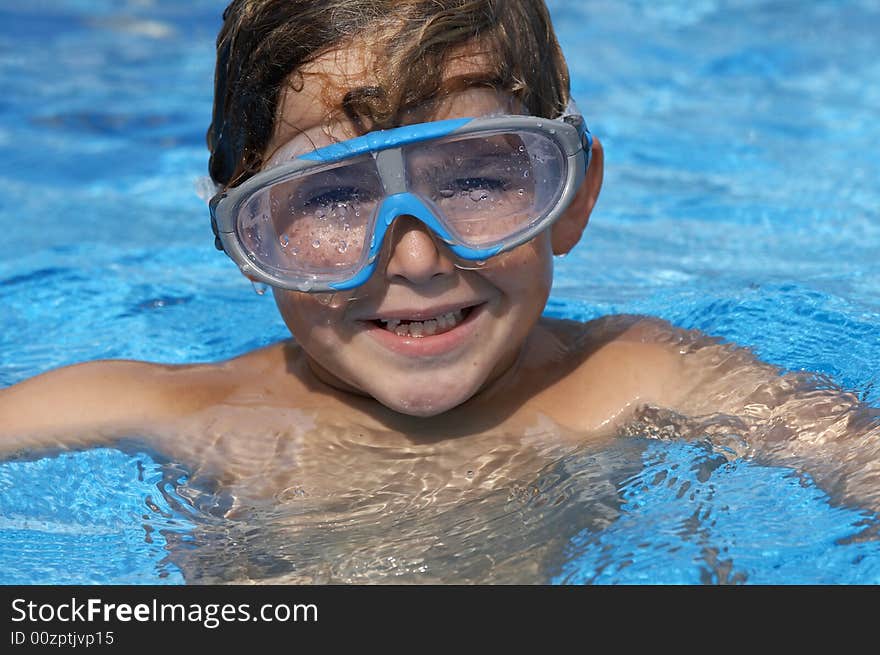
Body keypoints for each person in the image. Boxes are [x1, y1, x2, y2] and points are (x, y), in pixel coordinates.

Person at [1, 0, 877, 517]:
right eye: (334, 197)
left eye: (479, 180)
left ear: (571, 199)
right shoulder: (180, 409)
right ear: (247, 242)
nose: (415, 256)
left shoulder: (633, 378)